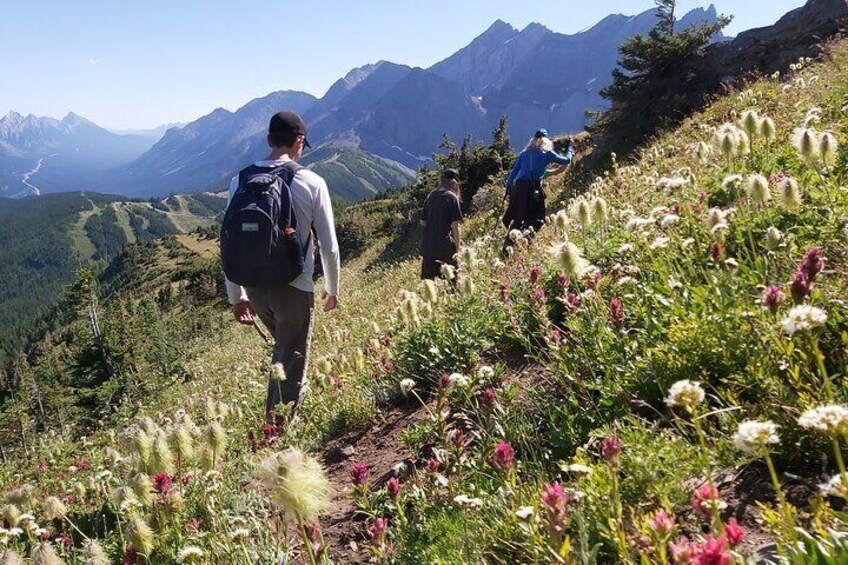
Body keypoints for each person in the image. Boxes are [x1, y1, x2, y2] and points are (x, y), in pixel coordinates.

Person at [225, 111, 341, 422]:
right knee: (291, 357)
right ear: (299, 141)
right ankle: (275, 433)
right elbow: (329, 246)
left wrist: (236, 297)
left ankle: (292, 407)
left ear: (269, 140)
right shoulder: (311, 182)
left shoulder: (240, 179)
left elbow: (229, 240)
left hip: (254, 285)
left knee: (284, 349)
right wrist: (332, 289)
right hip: (295, 284)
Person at [502, 128, 573, 237]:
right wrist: (570, 147)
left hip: (519, 188)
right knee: (536, 217)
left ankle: (511, 239)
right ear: (546, 141)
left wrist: (509, 186)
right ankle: (527, 239)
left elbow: (513, 173)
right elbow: (566, 160)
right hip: (533, 188)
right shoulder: (547, 153)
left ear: (533, 140)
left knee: (517, 215)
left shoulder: (524, 154)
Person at [419, 168, 463, 279]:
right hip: (445, 247)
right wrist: (457, 249)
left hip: (428, 246)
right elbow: (455, 226)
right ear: (454, 182)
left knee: (429, 283)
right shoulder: (452, 198)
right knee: (450, 281)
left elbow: (423, 222)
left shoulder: (431, 196)